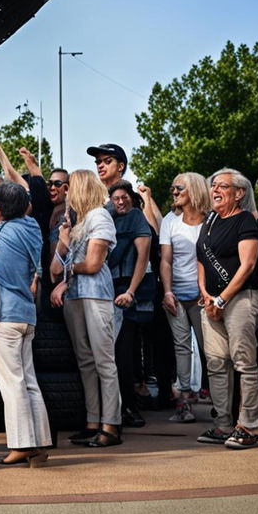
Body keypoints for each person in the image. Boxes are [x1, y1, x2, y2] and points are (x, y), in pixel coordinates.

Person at [0, 180, 51, 467]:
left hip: (6, 315)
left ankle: (20, 445)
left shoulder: (1, 234)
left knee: (11, 383)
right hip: (28, 315)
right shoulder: (32, 228)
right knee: (30, 383)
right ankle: (39, 444)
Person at [50, 169, 121, 448]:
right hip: (76, 296)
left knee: (104, 361)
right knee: (86, 361)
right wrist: (64, 241)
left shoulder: (101, 216)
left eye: (71, 188)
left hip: (95, 296)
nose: (66, 193)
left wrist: (67, 273)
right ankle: (93, 421)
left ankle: (111, 424)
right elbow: (55, 268)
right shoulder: (77, 223)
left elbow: (92, 265)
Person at [195, 168, 258, 448]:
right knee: (215, 363)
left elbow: (247, 265)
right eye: (213, 185)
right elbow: (201, 257)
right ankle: (223, 426)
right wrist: (205, 295)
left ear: (239, 193)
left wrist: (221, 298)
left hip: (240, 299)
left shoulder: (245, 220)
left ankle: (247, 426)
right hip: (210, 302)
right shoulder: (209, 220)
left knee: (244, 363)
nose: (215, 190)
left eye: (222, 185)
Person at [159, 171, 211, 423]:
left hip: (204, 295)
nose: (175, 192)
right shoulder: (169, 220)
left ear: (195, 190)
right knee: (181, 347)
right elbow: (166, 260)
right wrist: (167, 291)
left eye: (180, 188)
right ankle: (184, 403)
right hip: (177, 294)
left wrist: (210, 292)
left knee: (209, 348)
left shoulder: (211, 220)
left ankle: (222, 405)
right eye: (173, 189)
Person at [107, 180, 153, 428]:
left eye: (124, 197)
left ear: (132, 199)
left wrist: (131, 292)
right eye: (116, 198)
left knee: (125, 354)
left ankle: (131, 408)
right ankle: (117, 408)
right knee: (113, 354)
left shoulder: (136, 217)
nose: (120, 201)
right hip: (108, 290)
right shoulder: (107, 217)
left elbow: (142, 257)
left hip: (128, 294)